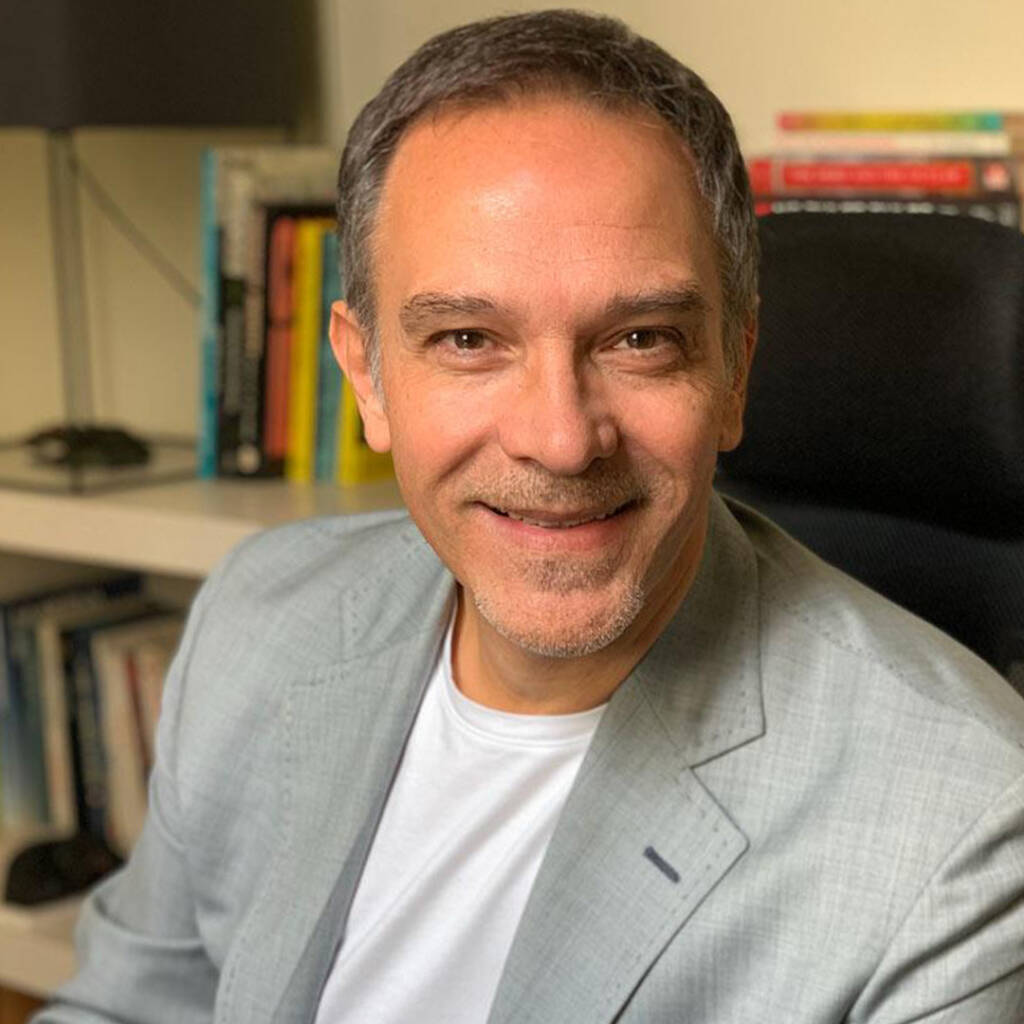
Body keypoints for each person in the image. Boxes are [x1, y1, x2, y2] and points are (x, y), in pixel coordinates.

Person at [37, 10, 1024, 1023]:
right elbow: (128, 1005)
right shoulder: (259, 614)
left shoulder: (960, 830)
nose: (559, 439)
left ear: (734, 371)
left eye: (640, 338)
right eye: (468, 338)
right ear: (366, 375)